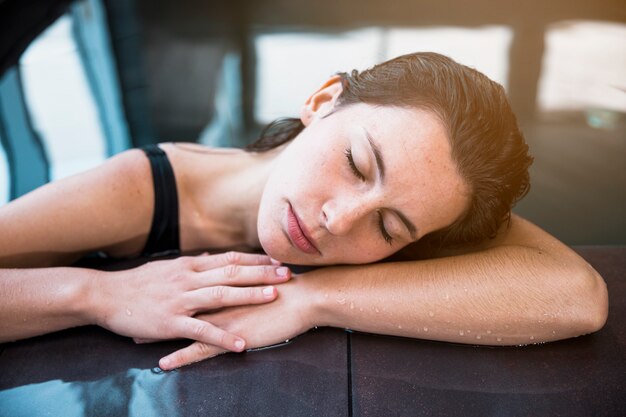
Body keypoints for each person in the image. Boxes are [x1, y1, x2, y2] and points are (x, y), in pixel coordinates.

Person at [0, 52, 608, 370]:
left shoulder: (431, 207)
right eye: (356, 163)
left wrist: (311, 301)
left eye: (390, 227)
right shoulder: (141, 190)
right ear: (323, 100)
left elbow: (575, 297)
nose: (340, 220)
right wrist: (97, 295)